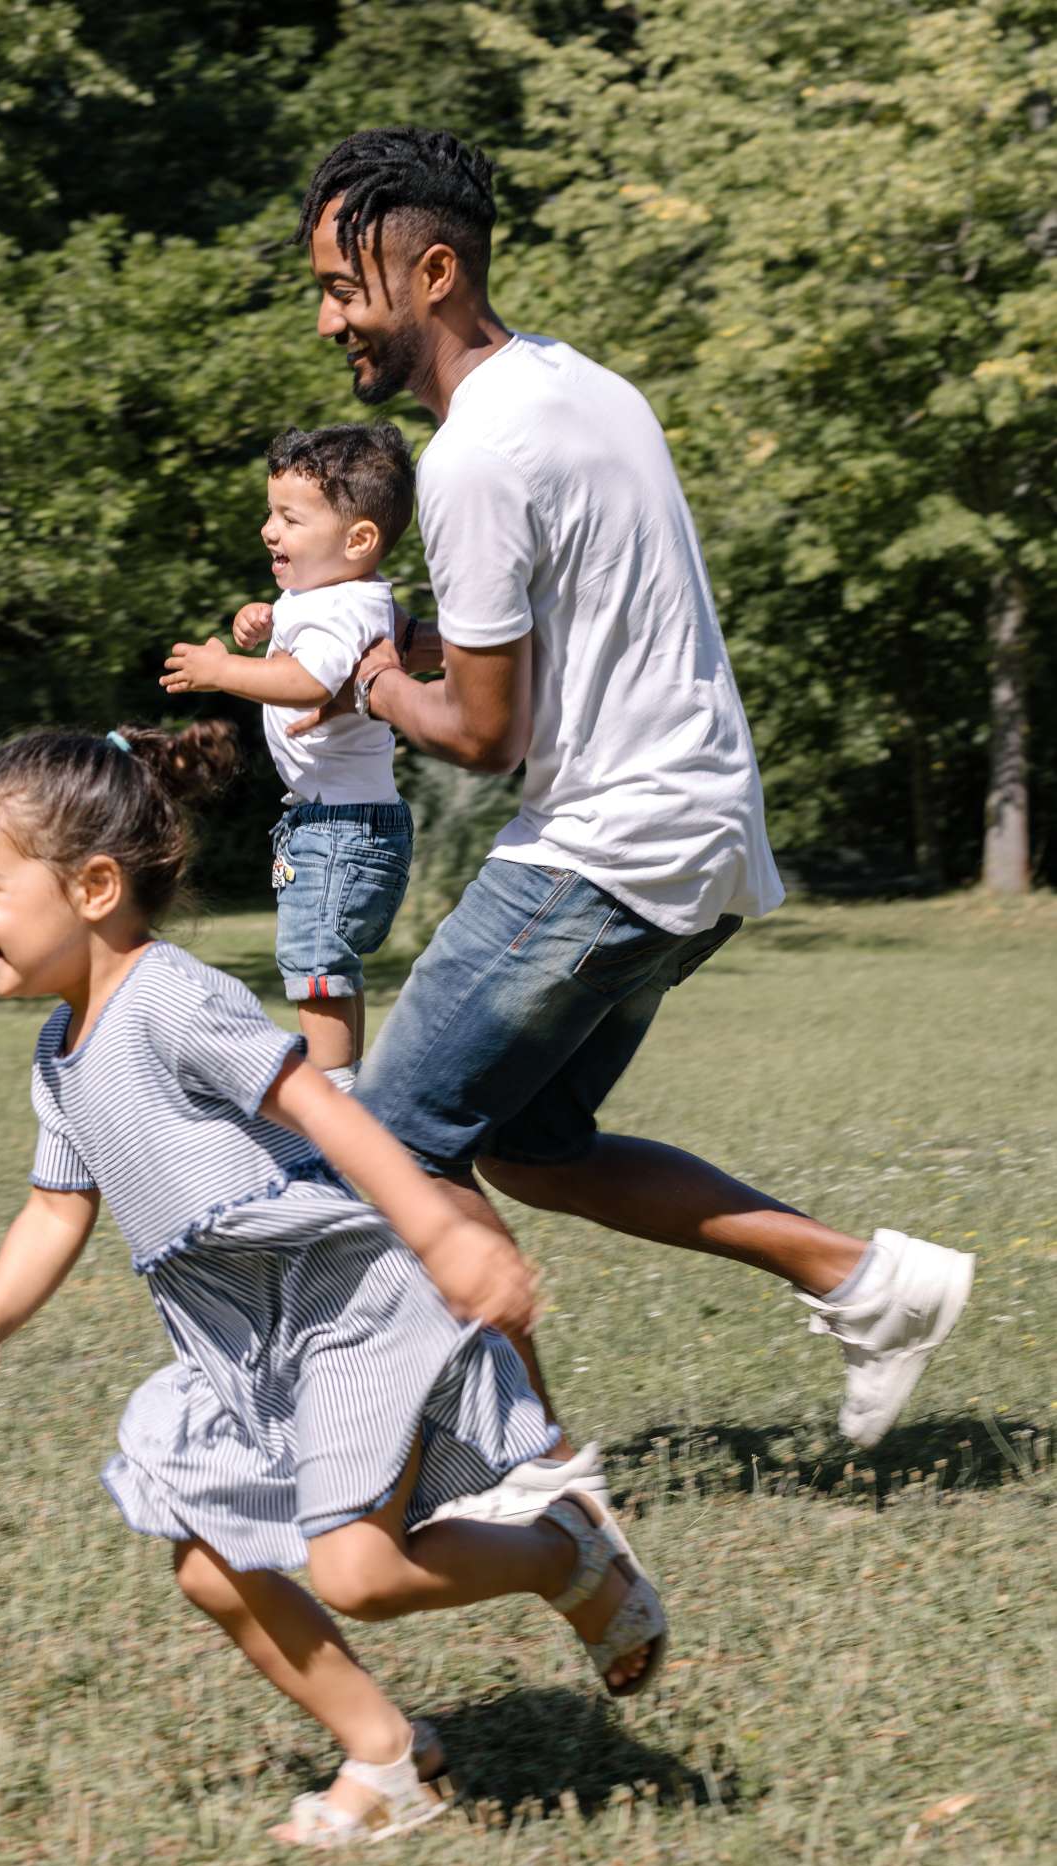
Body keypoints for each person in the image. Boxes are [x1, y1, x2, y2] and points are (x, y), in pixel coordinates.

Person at [286, 125, 973, 1508]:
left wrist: (370, 677)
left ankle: (534, 1468)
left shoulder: (470, 456)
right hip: (701, 830)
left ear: (432, 273)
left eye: (344, 289)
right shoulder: (584, 385)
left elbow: (483, 735)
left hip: (603, 842)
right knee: (530, 1145)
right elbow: (565, 630)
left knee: (394, 1139)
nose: (327, 321)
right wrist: (423, 650)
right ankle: (861, 1279)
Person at [0, 718, 667, 1849]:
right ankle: (389, 1756)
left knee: (357, 1574)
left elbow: (321, 1106)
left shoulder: (171, 1001)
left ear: (94, 886)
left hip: (344, 1305)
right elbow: (56, 1206)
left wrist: (440, 1228)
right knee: (210, 1564)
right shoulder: (59, 1056)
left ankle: (565, 1553)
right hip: (240, 1345)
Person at [160, 423, 416, 1091]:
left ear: (358, 540)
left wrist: (224, 670)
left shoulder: (342, 608)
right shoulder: (329, 596)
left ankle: (334, 1096)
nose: (269, 530)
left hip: (340, 829)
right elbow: (303, 645)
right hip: (346, 823)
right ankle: (345, 1083)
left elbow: (307, 682)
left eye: (290, 519)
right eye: (270, 513)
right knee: (326, 964)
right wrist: (263, 620)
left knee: (315, 960)